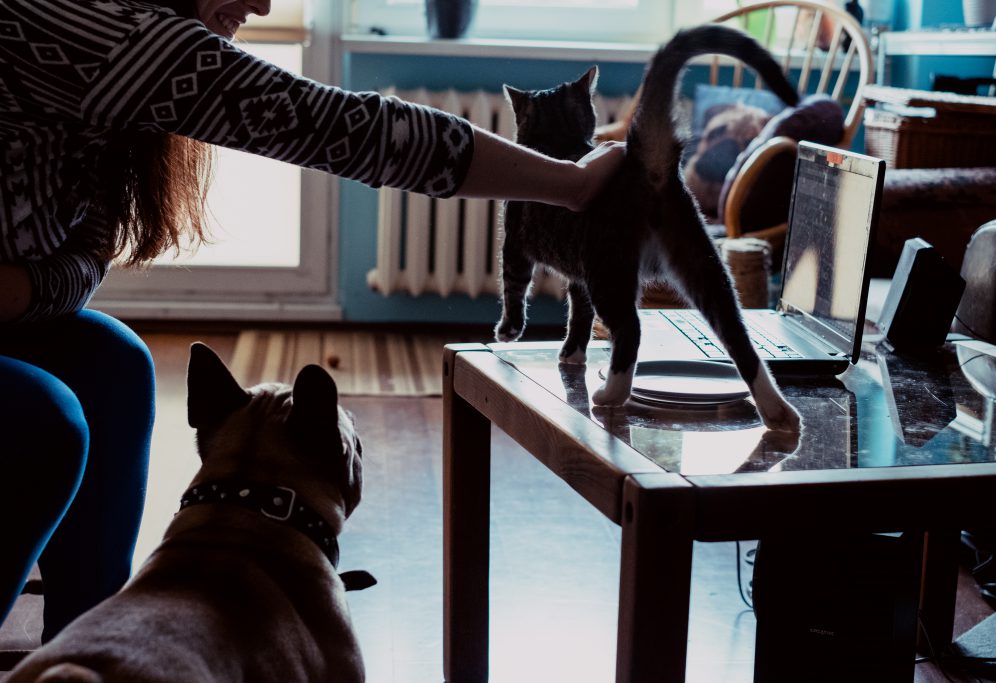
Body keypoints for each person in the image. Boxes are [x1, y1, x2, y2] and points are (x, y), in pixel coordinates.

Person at [0, 0, 627, 640]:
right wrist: (570, 183)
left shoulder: (127, 75)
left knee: (116, 364)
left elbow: (87, 251)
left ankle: (85, 646)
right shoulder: (92, 30)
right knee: (43, 420)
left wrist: (22, 289)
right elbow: (349, 130)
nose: (264, 5)